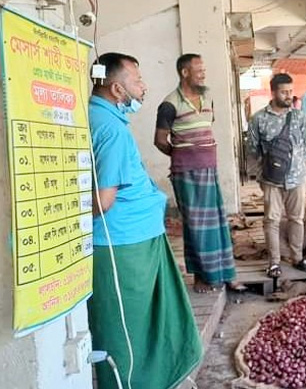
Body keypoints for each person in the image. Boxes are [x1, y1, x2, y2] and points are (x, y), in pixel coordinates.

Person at [88, 52, 202, 389]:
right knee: (126, 331)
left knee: (150, 324)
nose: (143, 87)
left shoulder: (105, 119)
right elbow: (104, 200)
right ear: (117, 89)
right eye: (136, 81)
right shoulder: (110, 130)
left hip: (137, 239)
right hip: (122, 246)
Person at [154, 54, 243, 294]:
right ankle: (203, 277)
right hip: (186, 173)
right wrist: (183, 154)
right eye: (199, 70)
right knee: (195, 227)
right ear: (184, 73)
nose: (204, 74)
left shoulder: (208, 96)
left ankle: (226, 273)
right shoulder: (169, 104)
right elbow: (160, 140)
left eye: (204, 70)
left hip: (209, 169)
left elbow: (206, 126)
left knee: (218, 223)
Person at [248, 73, 306, 277]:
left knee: (296, 219)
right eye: (284, 92)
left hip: (296, 178)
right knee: (271, 219)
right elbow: (253, 148)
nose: (288, 96)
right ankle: (274, 263)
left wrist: (302, 169)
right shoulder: (259, 118)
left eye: (290, 92)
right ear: (274, 92)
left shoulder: (299, 116)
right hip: (271, 180)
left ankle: (297, 258)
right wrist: (266, 170)